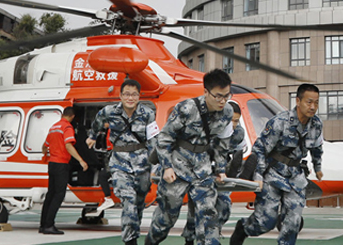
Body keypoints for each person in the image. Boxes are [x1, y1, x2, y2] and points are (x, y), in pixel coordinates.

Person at [146, 69, 233, 245]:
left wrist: (221, 169)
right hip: (177, 167)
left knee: (208, 216)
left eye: (226, 95)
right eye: (218, 96)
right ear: (205, 92)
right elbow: (165, 138)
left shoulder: (227, 112)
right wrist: (167, 167)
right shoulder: (186, 109)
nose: (223, 101)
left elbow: (222, 145)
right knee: (166, 219)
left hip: (203, 169)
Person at [230, 83, 324, 245]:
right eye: (309, 102)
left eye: (316, 103)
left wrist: (318, 167)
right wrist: (258, 176)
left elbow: (317, 147)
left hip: (295, 177)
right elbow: (259, 150)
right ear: (298, 101)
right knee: (265, 222)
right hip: (272, 176)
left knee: (292, 223)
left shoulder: (316, 124)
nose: (313, 107)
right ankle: (243, 228)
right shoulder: (280, 122)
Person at [86, 79, 157, 245]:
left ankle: (133, 233)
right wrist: (92, 136)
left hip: (142, 165)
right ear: (120, 95)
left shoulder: (148, 114)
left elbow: (154, 141)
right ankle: (130, 241)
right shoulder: (109, 111)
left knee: (138, 205)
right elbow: (97, 121)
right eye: (126, 94)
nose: (130, 98)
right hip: (119, 163)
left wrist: (156, 166)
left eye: (134, 94)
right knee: (129, 200)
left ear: (139, 96)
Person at [182, 102, 246, 245]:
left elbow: (238, 155)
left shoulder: (238, 133)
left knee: (224, 206)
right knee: (198, 210)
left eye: (236, 121)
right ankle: (191, 240)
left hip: (222, 173)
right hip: (199, 171)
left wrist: (230, 176)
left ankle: (212, 233)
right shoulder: (208, 127)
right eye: (230, 120)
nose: (233, 124)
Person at [40, 106, 88, 235]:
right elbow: (68, 145)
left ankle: (43, 224)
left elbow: (44, 146)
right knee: (59, 195)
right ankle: (49, 225)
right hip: (61, 164)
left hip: (52, 164)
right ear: (72, 117)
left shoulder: (53, 127)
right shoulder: (67, 127)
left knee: (50, 194)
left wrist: (46, 156)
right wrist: (81, 160)